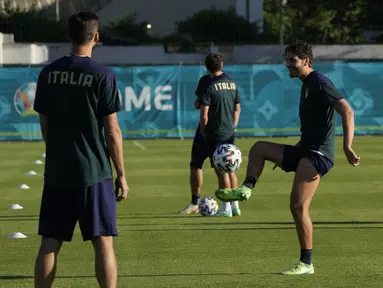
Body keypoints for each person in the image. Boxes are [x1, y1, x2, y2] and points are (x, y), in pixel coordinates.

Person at [215, 41, 360, 273]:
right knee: (259, 148)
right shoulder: (306, 84)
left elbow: (347, 111)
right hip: (304, 149)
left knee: (298, 206)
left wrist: (347, 146)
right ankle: (246, 188)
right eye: (286, 59)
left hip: (318, 154)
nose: (287, 64)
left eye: (292, 60)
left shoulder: (320, 82)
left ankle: (306, 263)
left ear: (306, 61)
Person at [33, 12, 129, 288]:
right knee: (103, 243)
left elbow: (45, 125)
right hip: (94, 172)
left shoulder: (48, 73)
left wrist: (58, 153)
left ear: (68, 36)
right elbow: (112, 130)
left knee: (50, 243)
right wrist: (121, 173)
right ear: (96, 37)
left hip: (57, 172)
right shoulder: (102, 75)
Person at [179, 53, 241, 217]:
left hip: (210, 132)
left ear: (206, 66)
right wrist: (233, 126)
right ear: (221, 64)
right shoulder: (231, 83)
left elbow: (203, 114)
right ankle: (234, 206)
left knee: (210, 168)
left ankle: (222, 208)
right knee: (229, 169)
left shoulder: (208, 84)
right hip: (228, 131)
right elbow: (237, 108)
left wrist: (204, 131)